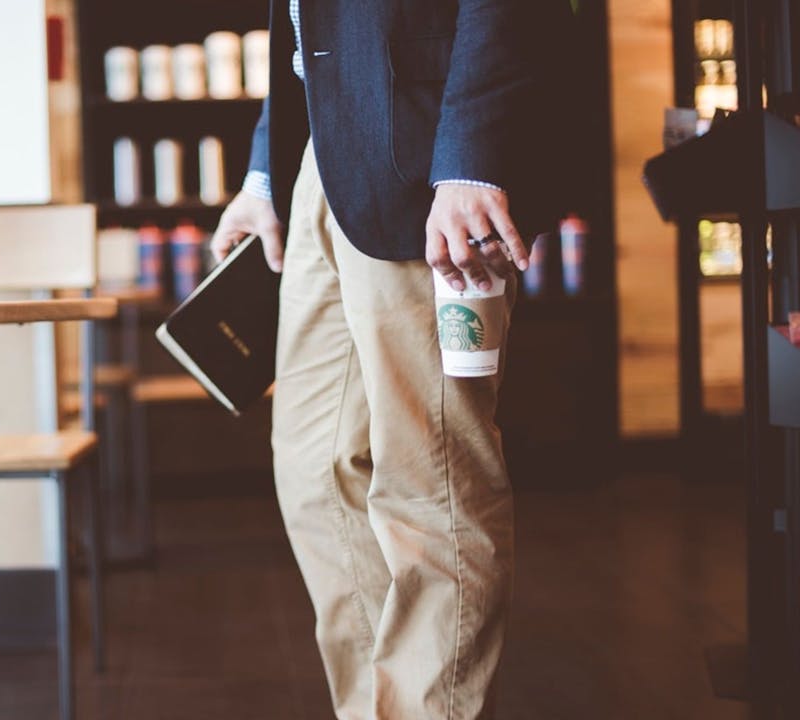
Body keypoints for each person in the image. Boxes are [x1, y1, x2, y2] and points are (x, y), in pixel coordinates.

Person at [212, 1, 569, 718]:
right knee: (314, 470)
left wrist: (471, 157)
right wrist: (263, 175)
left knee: (429, 477)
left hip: (427, 154)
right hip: (324, 157)